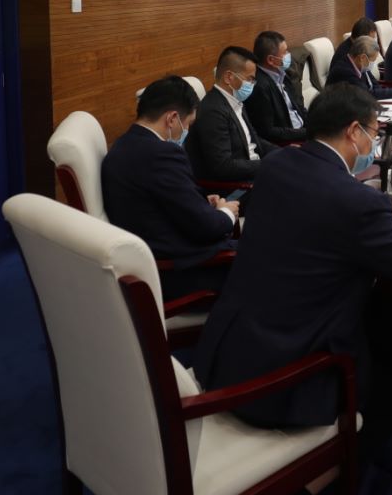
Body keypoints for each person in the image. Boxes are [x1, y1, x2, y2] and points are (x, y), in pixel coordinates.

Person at [195, 83, 392, 444]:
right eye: (373, 133)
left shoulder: (275, 165)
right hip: (283, 383)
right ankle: (344, 472)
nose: (373, 143)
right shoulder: (357, 203)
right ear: (354, 131)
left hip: (229, 356)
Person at [102, 76, 239, 302]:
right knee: (272, 262)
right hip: (182, 273)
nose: (188, 131)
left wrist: (201, 204)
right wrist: (226, 213)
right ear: (172, 118)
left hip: (164, 255)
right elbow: (207, 227)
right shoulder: (161, 155)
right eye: (189, 124)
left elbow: (161, 202)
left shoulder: (124, 144)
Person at [187, 46, 279, 181]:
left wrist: (281, 153)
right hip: (239, 184)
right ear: (229, 77)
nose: (252, 84)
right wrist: (267, 164)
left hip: (256, 170)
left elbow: (254, 140)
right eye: (250, 79)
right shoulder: (213, 111)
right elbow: (223, 166)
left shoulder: (235, 100)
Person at [245, 30, 308, 145]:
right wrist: (306, 133)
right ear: (271, 60)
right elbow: (268, 131)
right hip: (288, 142)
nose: (289, 55)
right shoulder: (259, 87)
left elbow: (298, 107)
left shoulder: (283, 74)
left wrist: (316, 124)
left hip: (303, 132)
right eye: (285, 52)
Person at [327, 35, 392, 100]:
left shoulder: (360, 66)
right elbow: (366, 95)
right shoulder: (344, 71)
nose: (372, 63)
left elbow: (376, 86)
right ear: (362, 58)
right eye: (372, 60)